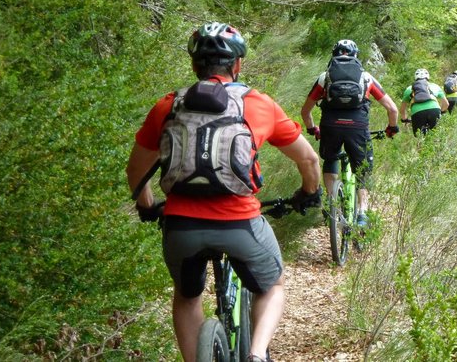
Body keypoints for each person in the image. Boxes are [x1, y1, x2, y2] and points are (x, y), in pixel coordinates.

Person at [126, 22, 321, 362]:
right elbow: (308, 159)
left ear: (194, 66)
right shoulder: (258, 104)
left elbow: (136, 171)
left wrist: (147, 207)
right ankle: (258, 355)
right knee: (272, 285)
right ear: (238, 65)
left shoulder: (168, 106)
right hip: (239, 222)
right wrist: (308, 192)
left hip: (181, 226)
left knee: (187, 297)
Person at [300, 39, 399, 227]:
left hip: (330, 125)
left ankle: (331, 205)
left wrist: (313, 128)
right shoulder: (366, 77)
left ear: (334, 55)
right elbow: (392, 109)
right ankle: (362, 214)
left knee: (330, 159)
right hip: (357, 127)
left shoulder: (325, 77)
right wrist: (391, 128)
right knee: (362, 170)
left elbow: (305, 111)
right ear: (356, 56)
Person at [400, 68, 449, 136]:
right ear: (428, 77)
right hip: (434, 110)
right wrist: (441, 112)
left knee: (419, 137)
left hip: (417, 112)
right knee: (436, 135)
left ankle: (420, 145)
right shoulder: (435, 86)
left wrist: (405, 119)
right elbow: (446, 104)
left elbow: (402, 109)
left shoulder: (409, 89)